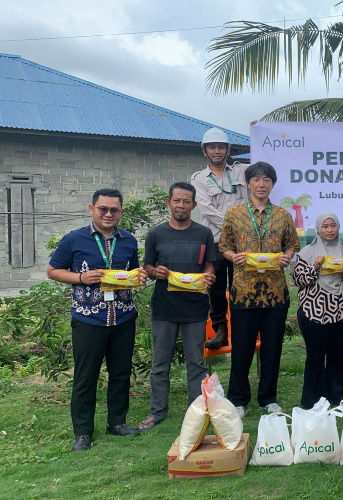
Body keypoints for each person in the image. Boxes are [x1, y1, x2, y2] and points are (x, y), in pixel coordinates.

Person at [47, 188, 147, 452]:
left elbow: (133, 270)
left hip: (123, 317)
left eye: (114, 210)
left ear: (121, 212)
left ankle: (117, 423)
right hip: (88, 319)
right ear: (92, 209)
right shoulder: (74, 239)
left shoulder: (127, 241)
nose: (108, 214)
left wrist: (139, 276)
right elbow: (52, 270)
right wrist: (81, 278)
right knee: (85, 377)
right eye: (103, 209)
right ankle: (82, 433)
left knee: (121, 373)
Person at [219, 162, 300, 416]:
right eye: (256, 180)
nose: (261, 184)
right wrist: (233, 258)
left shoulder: (283, 216)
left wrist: (286, 256)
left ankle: (268, 398)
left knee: (272, 349)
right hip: (244, 292)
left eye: (266, 180)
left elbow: (292, 245)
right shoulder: (234, 214)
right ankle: (238, 399)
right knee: (241, 348)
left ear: (272, 184)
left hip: (275, 293)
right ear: (249, 184)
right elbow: (224, 246)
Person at [138, 182, 216, 431]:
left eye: (186, 201)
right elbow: (147, 267)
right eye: (176, 200)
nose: (181, 205)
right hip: (164, 308)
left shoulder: (203, 234)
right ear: (168, 203)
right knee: (160, 363)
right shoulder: (156, 234)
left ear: (194, 205)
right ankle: (157, 411)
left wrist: (210, 276)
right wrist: (155, 272)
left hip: (195, 308)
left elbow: (209, 265)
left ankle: (197, 410)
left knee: (197, 363)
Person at [191, 127, 248, 349]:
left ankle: (242, 328)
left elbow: (267, 160)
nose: (217, 151)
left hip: (242, 242)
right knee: (215, 286)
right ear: (204, 151)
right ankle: (220, 330)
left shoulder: (242, 171)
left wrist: (259, 132)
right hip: (214, 239)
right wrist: (235, 225)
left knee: (240, 285)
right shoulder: (199, 179)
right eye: (212, 147)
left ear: (228, 149)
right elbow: (207, 209)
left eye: (221, 147)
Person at [292, 212, 343, 408]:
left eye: (333, 226)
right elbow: (298, 280)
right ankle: (316, 400)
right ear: (319, 229)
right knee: (316, 356)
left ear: (338, 228)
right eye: (325, 226)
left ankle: (336, 397)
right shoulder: (307, 252)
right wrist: (315, 267)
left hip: (340, 311)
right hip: (313, 311)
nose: (329, 230)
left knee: (337, 356)